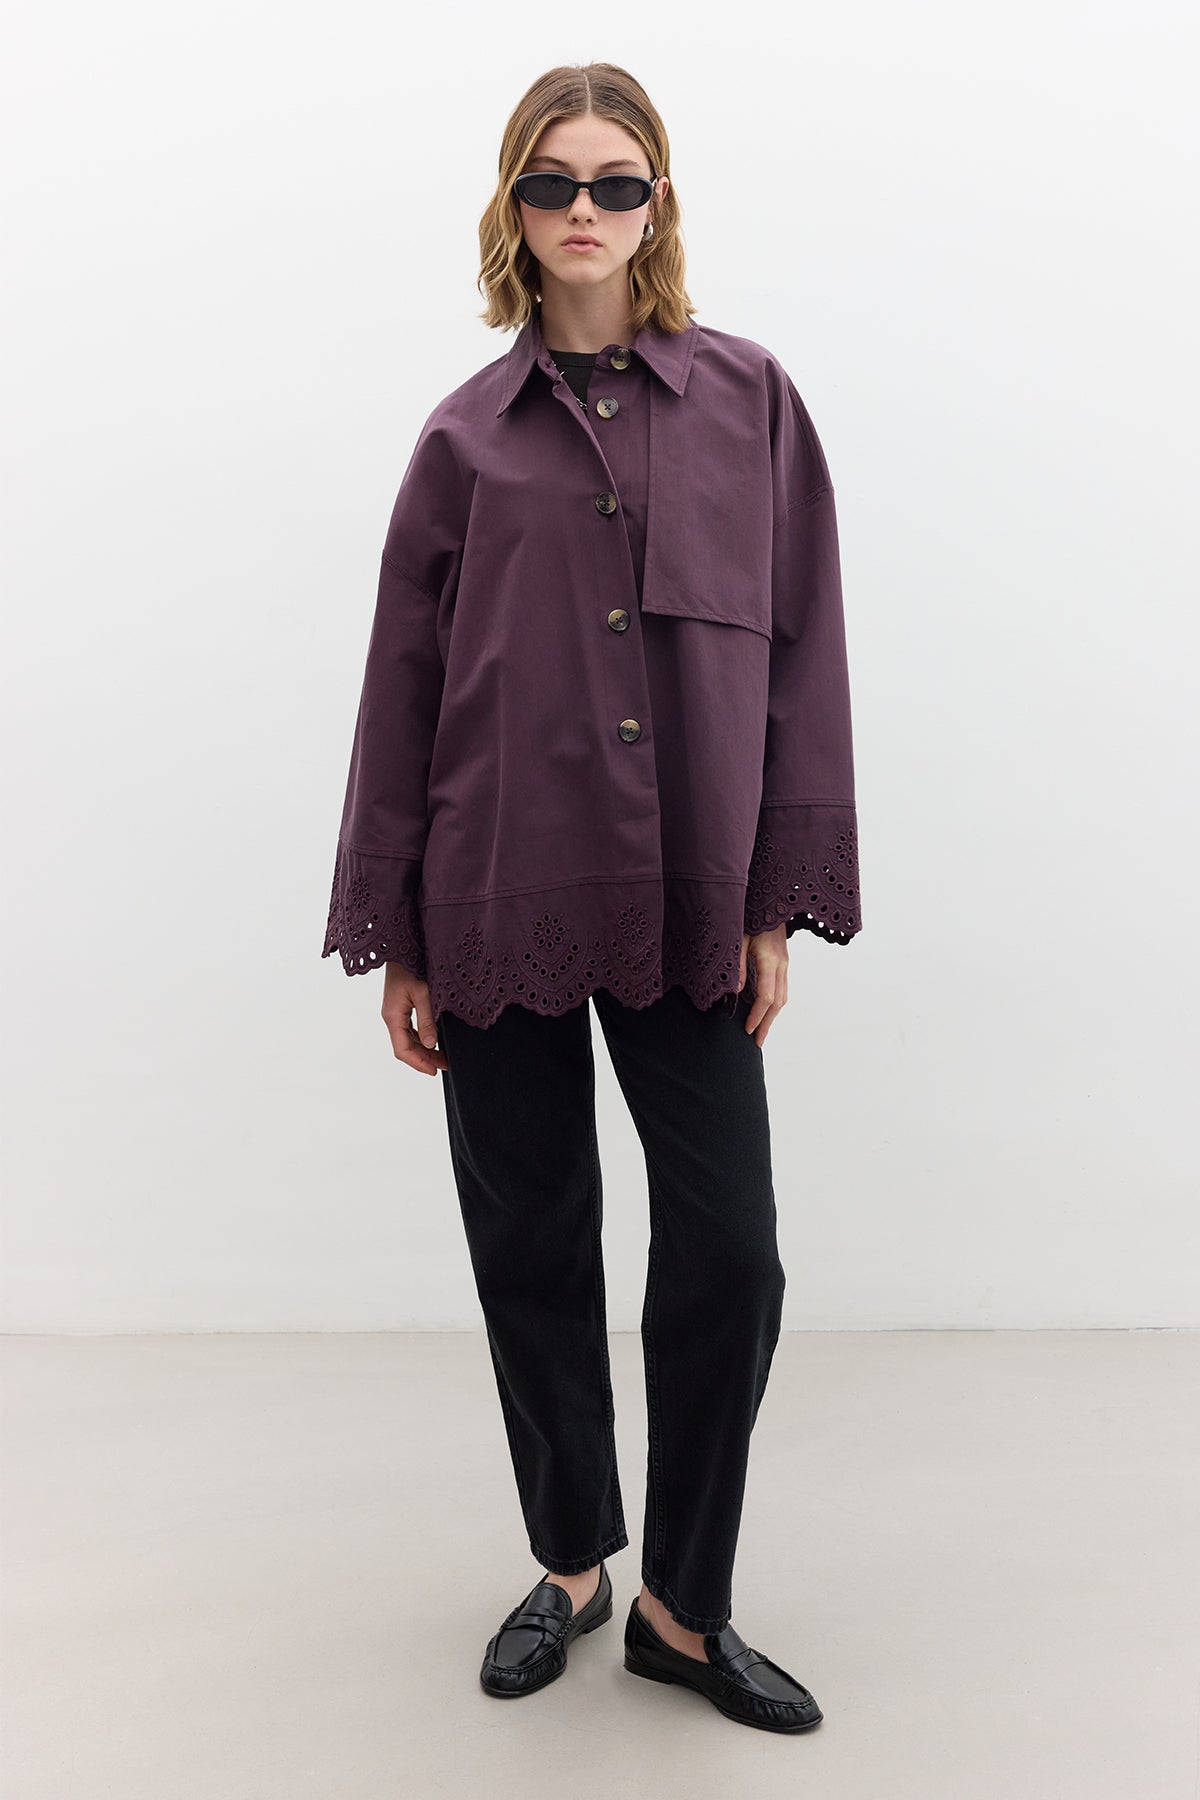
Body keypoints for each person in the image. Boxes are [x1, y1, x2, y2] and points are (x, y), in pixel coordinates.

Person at [321, 62, 861, 1733]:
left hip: (691, 894)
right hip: (495, 886)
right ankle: (570, 1566)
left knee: (732, 1254)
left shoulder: (753, 401)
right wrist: (400, 931)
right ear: (513, 206)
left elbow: (803, 656)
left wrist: (772, 901)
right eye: (551, 182)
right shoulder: (463, 440)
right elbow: (404, 688)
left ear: (657, 203)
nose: (583, 210)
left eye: (615, 182)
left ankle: (684, 1609)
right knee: (531, 1238)